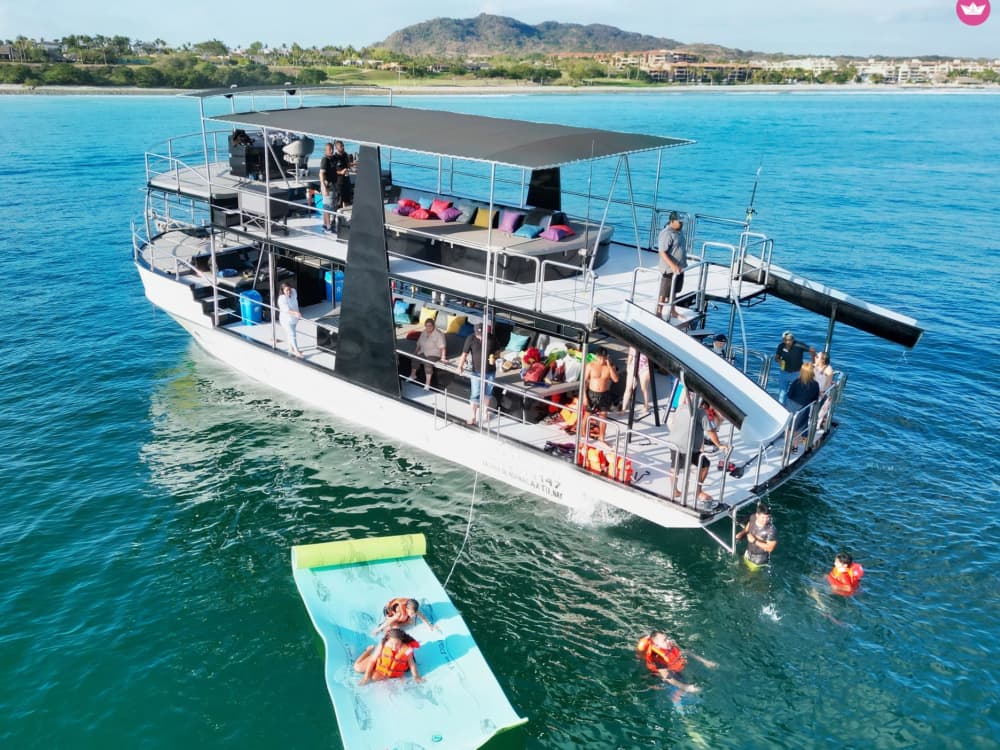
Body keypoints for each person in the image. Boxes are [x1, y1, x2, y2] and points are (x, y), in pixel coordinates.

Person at [668, 391, 728, 504]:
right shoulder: (701, 413)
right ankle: (698, 492)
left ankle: (674, 490)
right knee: (705, 464)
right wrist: (719, 445)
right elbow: (710, 432)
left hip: (673, 443)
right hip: (687, 447)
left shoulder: (681, 408)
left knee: (674, 466)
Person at [636, 631, 717, 693]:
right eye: (664, 640)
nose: (668, 641)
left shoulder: (669, 644)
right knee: (664, 686)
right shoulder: (657, 657)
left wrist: (705, 661)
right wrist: (685, 687)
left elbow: (686, 651)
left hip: (675, 666)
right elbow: (667, 677)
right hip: (661, 673)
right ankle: (647, 685)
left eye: (667, 638)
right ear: (657, 645)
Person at [456, 323, 499, 426]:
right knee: (475, 394)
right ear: (475, 332)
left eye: (481, 334)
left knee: (488, 393)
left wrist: (495, 357)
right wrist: (460, 366)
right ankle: (473, 416)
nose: (480, 336)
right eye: (478, 334)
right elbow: (464, 354)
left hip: (490, 371)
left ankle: (485, 412)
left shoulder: (492, 338)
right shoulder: (470, 338)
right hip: (476, 372)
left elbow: (498, 352)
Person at [355, 628, 423, 685]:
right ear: (388, 640)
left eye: (397, 644)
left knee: (374, 677)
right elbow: (372, 661)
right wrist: (366, 677)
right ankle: (368, 650)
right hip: (378, 659)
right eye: (391, 643)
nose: (394, 647)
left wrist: (416, 676)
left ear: (401, 642)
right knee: (357, 668)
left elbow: (412, 664)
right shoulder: (383, 644)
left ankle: (375, 668)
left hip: (388, 666)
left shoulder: (406, 649)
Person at [656, 211, 687, 320]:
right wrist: (672, 265)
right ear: (672, 221)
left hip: (680, 268)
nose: (682, 224)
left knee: (674, 291)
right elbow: (662, 252)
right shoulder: (667, 233)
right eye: (679, 222)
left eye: (682, 222)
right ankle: (659, 312)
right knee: (664, 291)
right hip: (669, 269)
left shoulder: (679, 232)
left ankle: (673, 310)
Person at [584, 348, 619, 441]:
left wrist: (609, 365)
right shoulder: (590, 365)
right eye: (600, 358)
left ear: (606, 357)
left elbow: (616, 379)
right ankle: (582, 434)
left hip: (604, 394)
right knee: (587, 415)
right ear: (596, 356)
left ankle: (602, 438)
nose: (602, 360)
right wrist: (584, 397)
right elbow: (584, 382)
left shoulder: (609, 367)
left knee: (603, 416)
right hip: (592, 394)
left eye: (604, 358)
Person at [774, 330, 816, 405]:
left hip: (796, 374)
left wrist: (813, 363)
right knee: (782, 394)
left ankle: (795, 410)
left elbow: (812, 350)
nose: (787, 342)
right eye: (785, 340)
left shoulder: (799, 345)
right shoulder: (781, 346)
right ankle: (781, 409)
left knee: (797, 394)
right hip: (784, 373)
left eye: (790, 340)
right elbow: (776, 358)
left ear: (793, 339)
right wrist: (779, 360)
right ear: (783, 340)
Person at [786, 361, 821, 446]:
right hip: (803, 410)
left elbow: (789, 395)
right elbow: (815, 399)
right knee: (797, 431)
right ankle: (794, 449)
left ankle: (786, 447)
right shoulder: (815, 384)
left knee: (789, 429)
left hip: (791, 408)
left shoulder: (796, 382)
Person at [735, 501, 777, 568]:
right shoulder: (753, 517)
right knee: (740, 567)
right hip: (748, 552)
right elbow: (749, 524)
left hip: (759, 559)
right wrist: (742, 533)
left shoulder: (771, 530)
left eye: (768, 517)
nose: (765, 520)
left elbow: (770, 548)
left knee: (749, 576)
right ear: (757, 515)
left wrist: (754, 541)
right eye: (763, 517)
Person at [410, 318, 447, 390]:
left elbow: (443, 347)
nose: (428, 327)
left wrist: (443, 358)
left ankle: (427, 384)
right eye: (426, 326)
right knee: (415, 358)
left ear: (433, 326)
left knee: (428, 363)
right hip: (424, 351)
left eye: (430, 326)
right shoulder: (424, 331)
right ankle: (413, 375)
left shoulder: (439, 334)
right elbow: (419, 343)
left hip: (434, 353)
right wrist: (415, 352)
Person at [623, 346, 652, 416]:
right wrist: (628, 368)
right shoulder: (632, 347)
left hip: (645, 368)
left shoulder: (648, 348)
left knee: (644, 388)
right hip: (633, 366)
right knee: (628, 388)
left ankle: (646, 405)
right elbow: (630, 357)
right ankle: (623, 409)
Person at [277, 282, 303, 358]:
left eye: (289, 289)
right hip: (286, 320)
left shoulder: (293, 291)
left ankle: (291, 348)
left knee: (290, 334)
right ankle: (296, 351)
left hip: (294, 319)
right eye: (287, 290)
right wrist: (296, 313)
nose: (289, 291)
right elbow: (287, 310)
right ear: (283, 291)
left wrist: (296, 314)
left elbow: (294, 301)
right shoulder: (281, 299)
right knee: (292, 334)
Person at [318, 142, 337, 231]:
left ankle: (325, 224)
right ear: (325, 150)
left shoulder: (333, 158)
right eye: (329, 149)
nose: (331, 151)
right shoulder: (325, 160)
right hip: (328, 185)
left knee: (331, 205)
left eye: (332, 149)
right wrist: (324, 187)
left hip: (333, 184)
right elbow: (321, 173)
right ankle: (328, 225)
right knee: (327, 206)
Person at [330, 140, 354, 208]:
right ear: (337, 148)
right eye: (341, 146)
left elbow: (348, 165)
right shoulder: (334, 158)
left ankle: (346, 215)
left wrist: (351, 167)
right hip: (339, 183)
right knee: (339, 202)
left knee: (348, 200)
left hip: (347, 181)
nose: (343, 147)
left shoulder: (346, 155)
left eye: (343, 146)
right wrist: (340, 172)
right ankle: (338, 216)